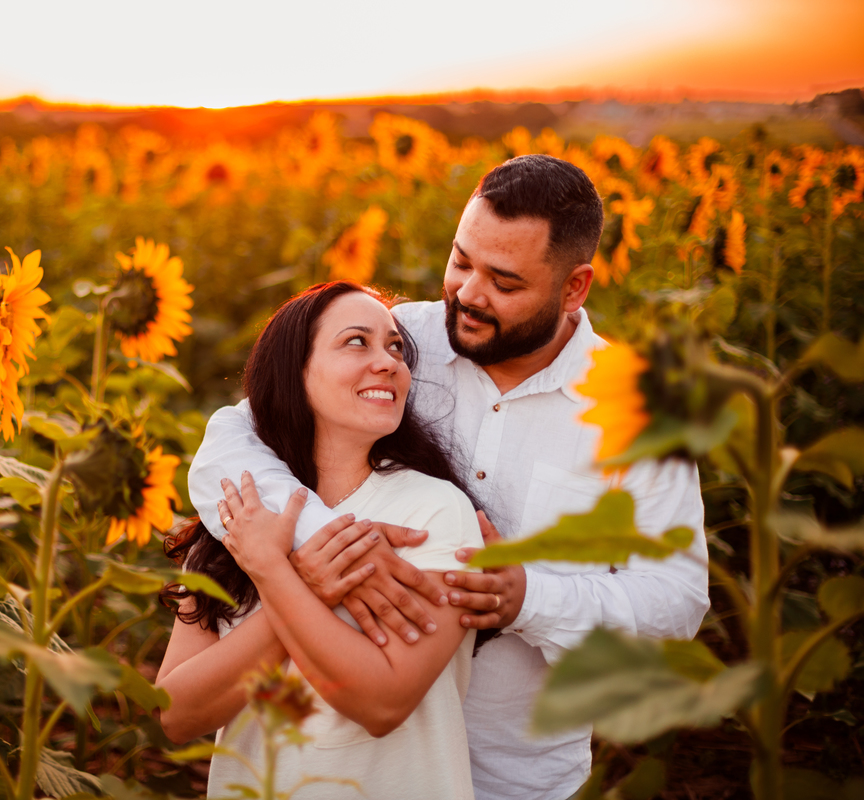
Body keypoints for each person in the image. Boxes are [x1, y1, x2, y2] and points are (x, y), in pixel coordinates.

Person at [188, 154, 711, 799]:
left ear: (575, 287)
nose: (467, 294)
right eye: (461, 261)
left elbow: (677, 599)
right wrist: (333, 544)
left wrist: (528, 598)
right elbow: (233, 439)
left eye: (504, 281)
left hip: (516, 774)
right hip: (342, 763)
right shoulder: (400, 342)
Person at [157, 282, 484, 799]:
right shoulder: (242, 515)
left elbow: (383, 703)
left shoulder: (434, 511)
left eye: (395, 346)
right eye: (358, 341)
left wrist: (275, 575)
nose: (389, 363)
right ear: (295, 372)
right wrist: (295, 581)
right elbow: (174, 715)